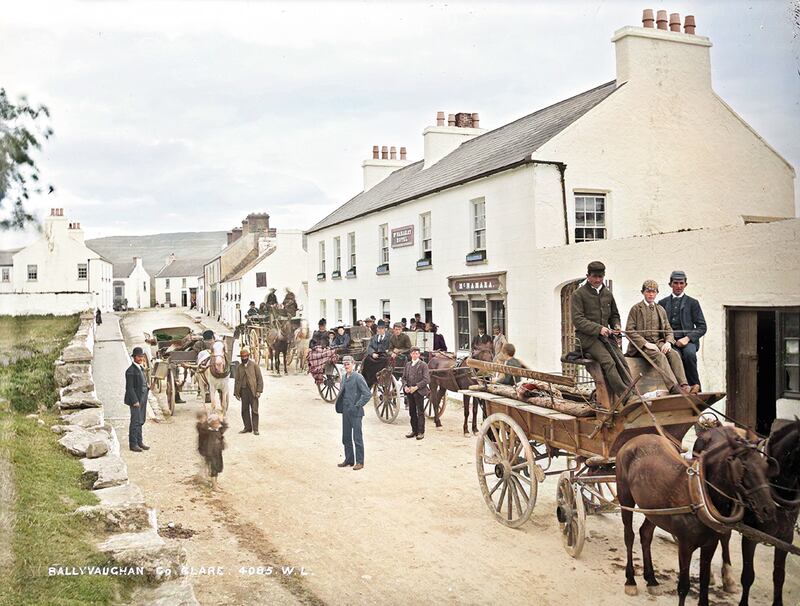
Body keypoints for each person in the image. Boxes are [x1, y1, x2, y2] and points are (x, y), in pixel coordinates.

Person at [571, 261, 630, 399]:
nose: (598, 280)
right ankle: (624, 396)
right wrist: (599, 329)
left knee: (621, 359)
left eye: (600, 277)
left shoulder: (607, 294)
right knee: (608, 362)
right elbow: (578, 320)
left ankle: (632, 391)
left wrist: (616, 326)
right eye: (595, 276)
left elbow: (614, 315)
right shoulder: (578, 294)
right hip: (586, 340)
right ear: (588, 276)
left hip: (606, 338)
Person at [626, 280, 696, 394]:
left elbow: (668, 329)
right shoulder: (636, 309)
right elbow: (629, 330)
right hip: (641, 346)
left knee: (674, 354)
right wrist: (645, 344)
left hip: (658, 342)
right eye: (648, 291)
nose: (651, 294)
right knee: (660, 356)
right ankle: (674, 388)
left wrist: (668, 342)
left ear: (657, 293)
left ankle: (684, 385)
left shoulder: (660, 309)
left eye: (653, 292)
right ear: (643, 292)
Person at [659, 270, 706, 391]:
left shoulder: (693, 303)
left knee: (689, 355)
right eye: (675, 283)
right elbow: (659, 326)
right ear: (670, 284)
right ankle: (680, 389)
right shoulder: (662, 303)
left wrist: (688, 338)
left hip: (688, 341)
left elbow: (702, 327)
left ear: (686, 284)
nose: (678, 286)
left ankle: (696, 387)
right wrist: (667, 341)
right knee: (675, 356)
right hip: (670, 340)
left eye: (681, 283)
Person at [335, 355, 372, 470]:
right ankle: (349, 459)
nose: (346, 366)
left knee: (357, 437)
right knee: (346, 437)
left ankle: (360, 462)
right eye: (345, 364)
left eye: (348, 364)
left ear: (353, 364)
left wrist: (357, 405)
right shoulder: (344, 377)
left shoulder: (358, 377)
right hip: (346, 411)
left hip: (356, 412)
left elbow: (367, 394)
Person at [124, 346, 150, 452]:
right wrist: (135, 401)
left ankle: (140, 442)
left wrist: (147, 386)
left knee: (141, 421)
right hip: (136, 401)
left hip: (143, 398)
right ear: (134, 357)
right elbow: (129, 388)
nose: (140, 358)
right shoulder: (130, 370)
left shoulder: (140, 368)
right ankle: (133, 444)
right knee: (135, 422)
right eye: (138, 357)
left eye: (142, 356)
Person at [233, 346, 263, 435]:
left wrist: (259, 391)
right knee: (244, 410)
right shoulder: (239, 367)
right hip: (243, 391)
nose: (244, 358)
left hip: (252, 391)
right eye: (242, 357)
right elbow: (237, 380)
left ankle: (255, 429)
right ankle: (247, 427)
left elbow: (259, 379)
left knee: (254, 410)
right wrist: (236, 393)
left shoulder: (254, 365)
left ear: (248, 356)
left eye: (245, 356)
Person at [402, 347, 430, 440]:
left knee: (420, 412)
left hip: (419, 392)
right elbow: (404, 378)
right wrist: (405, 386)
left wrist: (416, 387)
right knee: (412, 411)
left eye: (416, 353)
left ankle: (421, 432)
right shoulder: (408, 365)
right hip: (409, 392)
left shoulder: (423, 365)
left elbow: (426, 379)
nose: (415, 355)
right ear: (410, 355)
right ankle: (414, 430)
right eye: (413, 353)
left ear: (419, 355)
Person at [197, 411, 227, 489]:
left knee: (217, 468)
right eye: (215, 423)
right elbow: (201, 428)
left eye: (218, 423)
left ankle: (215, 483)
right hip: (211, 454)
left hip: (217, 453)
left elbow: (225, 427)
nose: (217, 425)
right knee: (213, 469)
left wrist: (222, 419)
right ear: (211, 424)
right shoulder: (208, 432)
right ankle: (214, 486)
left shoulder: (218, 430)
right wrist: (205, 421)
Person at [360, 320, 389, 387]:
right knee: (367, 359)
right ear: (377, 329)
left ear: (385, 329)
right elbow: (369, 347)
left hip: (384, 355)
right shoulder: (374, 337)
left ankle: (377, 376)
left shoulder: (389, 337)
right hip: (375, 355)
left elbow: (391, 346)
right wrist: (372, 353)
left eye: (382, 329)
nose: (380, 330)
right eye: (379, 329)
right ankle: (368, 379)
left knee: (384, 359)